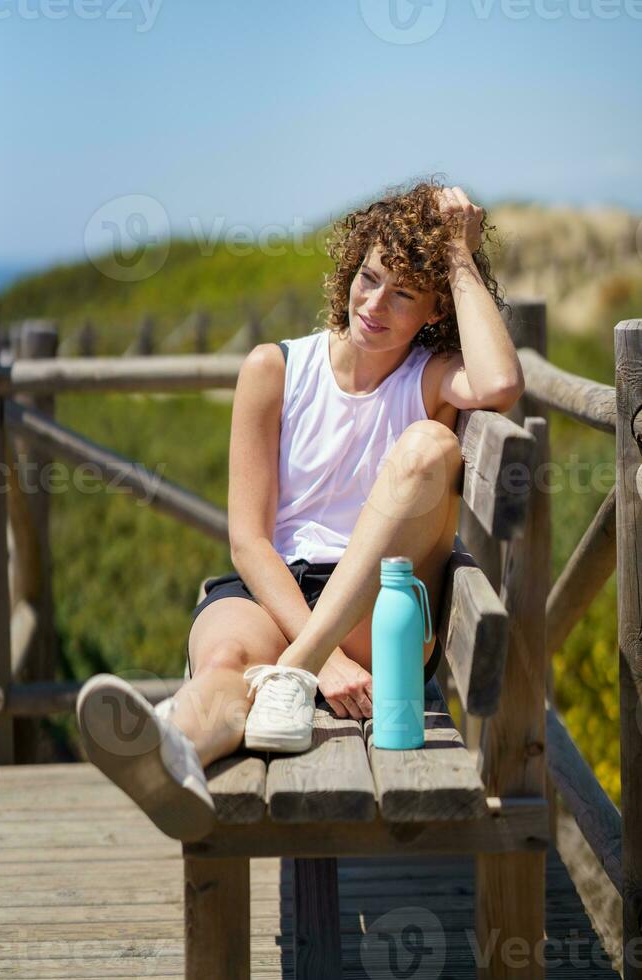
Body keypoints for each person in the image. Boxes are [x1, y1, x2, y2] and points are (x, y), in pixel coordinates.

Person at [76, 178, 525, 841]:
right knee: (226, 652)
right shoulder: (275, 369)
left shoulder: (429, 379)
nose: (373, 304)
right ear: (350, 267)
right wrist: (321, 658)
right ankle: (175, 751)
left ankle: (282, 678)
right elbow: (249, 541)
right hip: (278, 588)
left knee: (431, 445)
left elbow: (500, 383)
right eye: (369, 277)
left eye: (402, 294)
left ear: (433, 311)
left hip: (378, 607)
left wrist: (459, 256)